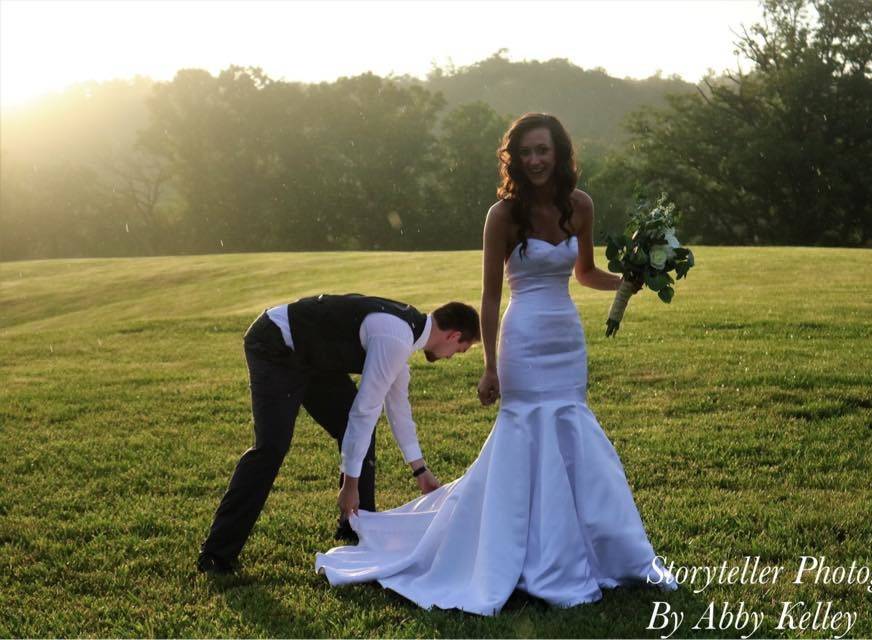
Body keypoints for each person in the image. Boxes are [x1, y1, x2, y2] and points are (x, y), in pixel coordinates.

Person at [315, 114, 676, 614]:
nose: (535, 160)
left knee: (571, 430)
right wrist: (490, 365)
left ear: (560, 153)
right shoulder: (502, 216)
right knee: (526, 433)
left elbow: (586, 272)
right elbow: (488, 298)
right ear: (515, 157)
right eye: (526, 151)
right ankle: (524, 555)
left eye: (543, 150)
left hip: (565, 339)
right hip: (523, 337)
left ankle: (597, 551)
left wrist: (629, 280)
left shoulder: (580, 206)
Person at [197, 293, 479, 575]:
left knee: (355, 429)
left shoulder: (405, 337)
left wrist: (420, 470)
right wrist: (350, 486)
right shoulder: (396, 338)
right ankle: (216, 554)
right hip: (276, 344)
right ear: (454, 336)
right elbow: (365, 412)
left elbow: (399, 409)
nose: (452, 357)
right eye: (460, 350)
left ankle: (356, 528)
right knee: (271, 447)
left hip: (316, 358)